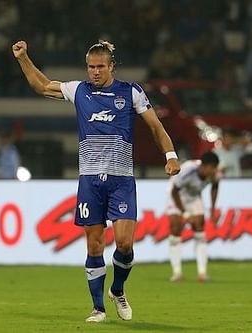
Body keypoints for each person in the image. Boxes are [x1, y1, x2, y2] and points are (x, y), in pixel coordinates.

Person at [12, 40, 180, 322]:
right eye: (91, 67)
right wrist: (23, 58)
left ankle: (118, 290)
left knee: (125, 244)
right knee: (94, 246)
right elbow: (41, 86)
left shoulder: (130, 92)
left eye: (101, 67)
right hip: (90, 181)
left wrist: (171, 155)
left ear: (111, 66)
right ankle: (98, 308)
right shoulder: (79, 90)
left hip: (122, 180)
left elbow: (155, 126)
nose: (95, 72)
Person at [166, 151, 219, 282]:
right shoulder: (188, 170)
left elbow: (215, 188)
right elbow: (174, 191)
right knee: (176, 229)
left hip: (194, 197)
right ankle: (177, 273)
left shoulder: (214, 175)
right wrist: (185, 214)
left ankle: (202, 273)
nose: (214, 171)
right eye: (212, 168)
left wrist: (212, 210)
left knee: (200, 231)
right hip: (176, 196)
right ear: (204, 166)